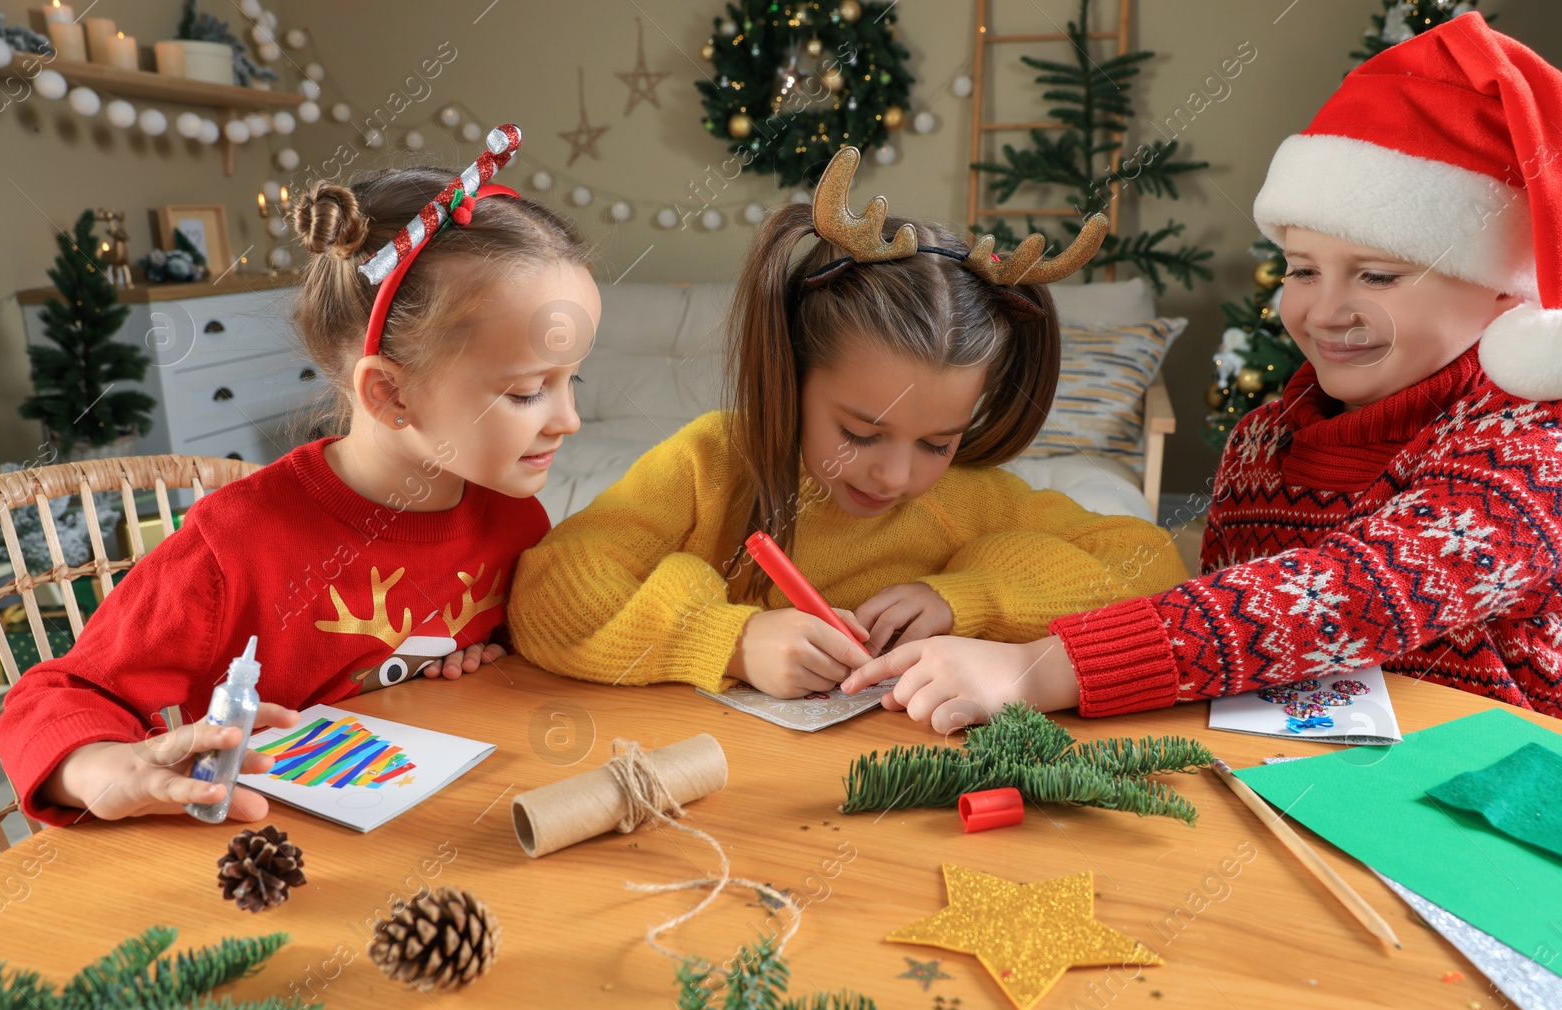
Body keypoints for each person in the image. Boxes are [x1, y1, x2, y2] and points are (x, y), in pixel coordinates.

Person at [842, 14, 1562, 731]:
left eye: (1377, 274)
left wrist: (1041, 667)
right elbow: (1221, 647)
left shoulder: (1533, 451)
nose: (1326, 309)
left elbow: (1348, 594)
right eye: (1303, 269)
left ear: (1503, 288)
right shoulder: (1260, 446)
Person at [0, 126, 601, 822]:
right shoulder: (236, 544)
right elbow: (58, 694)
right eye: (528, 391)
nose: (568, 419)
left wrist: (481, 661)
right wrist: (101, 765)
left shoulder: (514, 517)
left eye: (571, 379)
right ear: (390, 394)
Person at [508, 147, 1187, 698]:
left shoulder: (969, 499)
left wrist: (971, 597)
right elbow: (549, 593)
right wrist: (729, 641)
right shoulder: (708, 464)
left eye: (937, 442)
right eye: (860, 432)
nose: (896, 475)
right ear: (792, 375)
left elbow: (1149, 564)